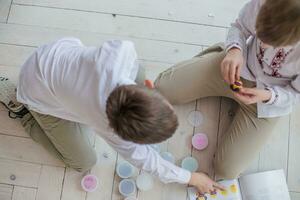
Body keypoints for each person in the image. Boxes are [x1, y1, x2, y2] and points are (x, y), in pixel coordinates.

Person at [0, 38, 223, 194]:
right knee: (83, 161)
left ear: (147, 87)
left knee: (138, 70)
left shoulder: (121, 52)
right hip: (35, 91)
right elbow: (151, 163)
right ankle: (23, 112)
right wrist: (193, 178)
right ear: (117, 133)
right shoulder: (107, 129)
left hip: (52, 54)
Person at [155, 0, 300, 179]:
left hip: (265, 102)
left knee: (226, 171)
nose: (261, 44)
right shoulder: (267, 3)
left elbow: (296, 94)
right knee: (162, 88)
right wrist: (234, 51)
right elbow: (239, 26)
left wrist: (267, 96)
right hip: (238, 67)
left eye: (271, 43)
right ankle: (220, 54)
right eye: (259, 35)